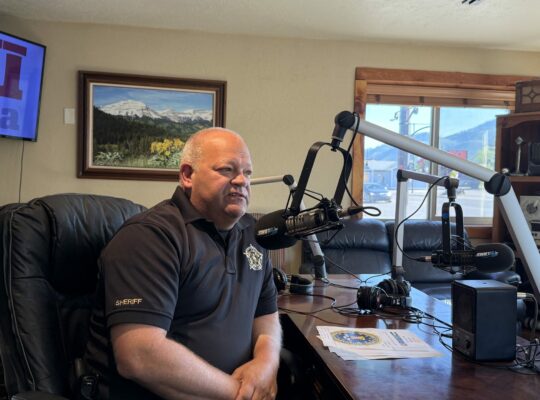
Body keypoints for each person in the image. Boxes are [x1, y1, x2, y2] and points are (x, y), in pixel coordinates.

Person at [84, 128, 282, 399]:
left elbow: (266, 313)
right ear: (187, 175)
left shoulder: (253, 233)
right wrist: (239, 393)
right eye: (227, 170)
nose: (241, 181)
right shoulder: (150, 236)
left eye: (247, 173)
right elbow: (139, 355)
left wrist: (267, 362)